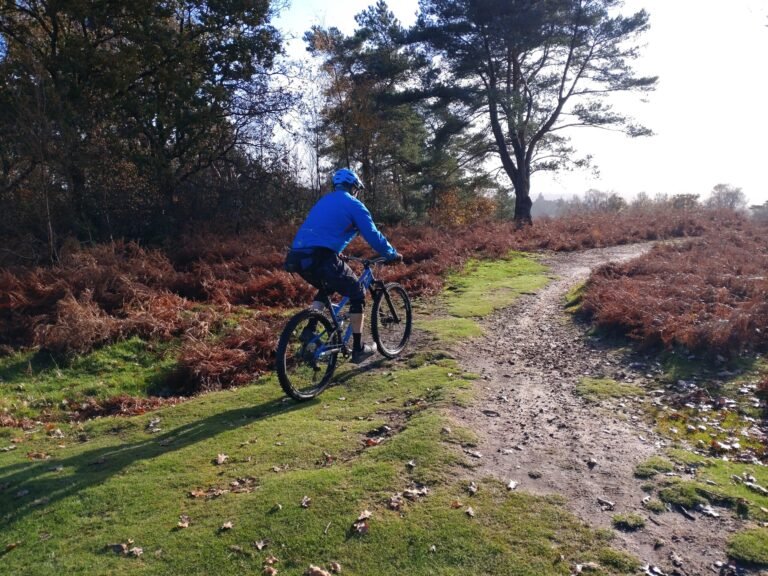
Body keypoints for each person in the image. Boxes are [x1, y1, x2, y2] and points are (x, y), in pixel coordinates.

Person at [285, 168, 402, 364]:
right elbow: (373, 235)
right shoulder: (354, 205)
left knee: (327, 286)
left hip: (296, 257)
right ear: (354, 187)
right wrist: (390, 254)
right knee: (357, 293)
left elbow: (321, 231)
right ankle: (357, 349)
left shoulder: (323, 202)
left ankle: (310, 329)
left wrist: (335, 250)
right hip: (322, 256)